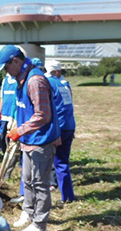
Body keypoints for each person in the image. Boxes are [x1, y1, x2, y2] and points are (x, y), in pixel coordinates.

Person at [0, 44, 61, 231]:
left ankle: (40, 225)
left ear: (16, 61)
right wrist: (14, 125)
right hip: (29, 139)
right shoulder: (20, 80)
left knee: (40, 183)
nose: (5, 72)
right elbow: (23, 108)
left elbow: (43, 115)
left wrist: (20, 130)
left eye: (6, 67)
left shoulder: (35, 81)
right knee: (27, 180)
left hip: (41, 140)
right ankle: (29, 213)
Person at [45, 61, 77, 203]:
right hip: (69, 125)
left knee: (54, 162)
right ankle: (68, 196)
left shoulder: (51, 83)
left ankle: (61, 196)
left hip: (59, 127)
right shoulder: (65, 84)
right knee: (63, 162)